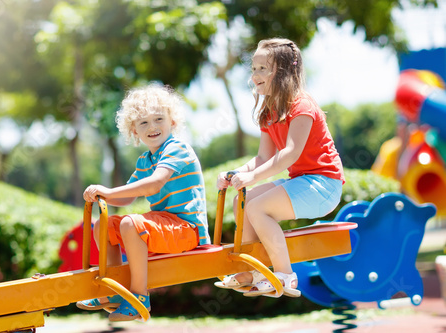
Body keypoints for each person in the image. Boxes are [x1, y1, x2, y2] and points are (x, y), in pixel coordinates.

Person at [215, 38, 345, 297]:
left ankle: (285, 275)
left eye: (263, 68)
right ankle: (254, 270)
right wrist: (236, 174)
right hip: (302, 181)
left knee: (257, 207)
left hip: (324, 185)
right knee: (243, 201)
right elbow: (263, 157)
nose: (255, 75)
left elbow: (289, 154)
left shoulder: (302, 106)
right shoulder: (268, 111)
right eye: (253, 69)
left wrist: (251, 176)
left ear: (284, 72)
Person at [76, 84, 210, 321]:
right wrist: (102, 193)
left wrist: (109, 190)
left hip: (187, 229)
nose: (152, 127)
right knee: (103, 225)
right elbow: (128, 197)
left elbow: (154, 184)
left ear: (173, 122)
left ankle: (139, 297)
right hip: (164, 225)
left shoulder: (176, 148)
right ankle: (115, 289)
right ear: (134, 130)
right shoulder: (145, 160)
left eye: (158, 119)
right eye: (143, 123)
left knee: (130, 224)